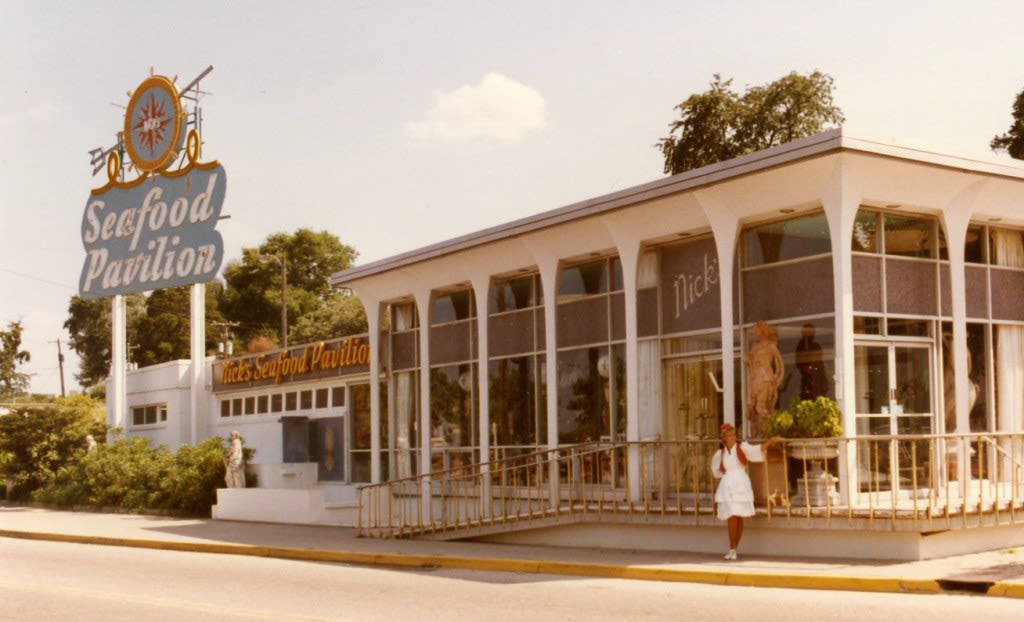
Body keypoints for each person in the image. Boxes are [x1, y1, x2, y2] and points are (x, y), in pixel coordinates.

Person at [710, 423, 781, 560]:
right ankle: (732, 547)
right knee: (731, 514)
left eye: (733, 435)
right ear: (723, 438)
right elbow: (716, 472)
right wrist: (725, 474)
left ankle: (734, 549)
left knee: (739, 516)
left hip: (741, 483)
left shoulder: (742, 448)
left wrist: (769, 443)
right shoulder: (720, 453)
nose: (732, 438)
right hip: (728, 484)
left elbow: (756, 450)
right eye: (729, 435)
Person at [745, 321, 784, 438]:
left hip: (766, 378)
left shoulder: (771, 345)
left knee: (761, 407)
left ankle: (768, 432)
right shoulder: (754, 346)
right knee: (753, 406)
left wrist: (777, 379)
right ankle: (758, 432)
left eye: (757, 331)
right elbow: (750, 361)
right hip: (755, 378)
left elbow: (779, 364)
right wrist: (748, 360)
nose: (755, 333)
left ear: (763, 332)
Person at [795, 323, 829, 399]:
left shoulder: (816, 346)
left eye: (810, 332)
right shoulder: (801, 345)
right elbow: (798, 363)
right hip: (807, 377)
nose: (808, 335)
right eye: (806, 332)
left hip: (816, 376)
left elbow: (819, 361)